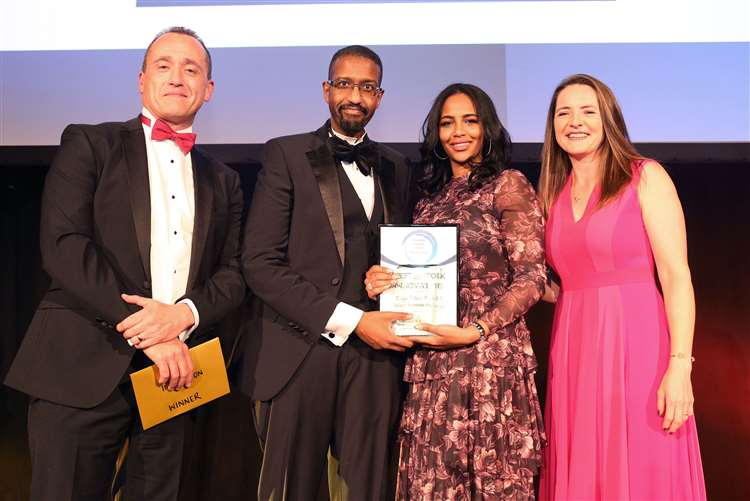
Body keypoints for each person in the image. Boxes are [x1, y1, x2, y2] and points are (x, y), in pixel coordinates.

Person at [4, 27, 246, 500]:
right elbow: (64, 246)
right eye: (164, 65)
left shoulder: (225, 180)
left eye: (191, 69)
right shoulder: (90, 144)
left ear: (209, 89)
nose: (177, 77)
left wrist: (183, 316)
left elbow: (235, 272)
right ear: (141, 80)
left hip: (177, 376)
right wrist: (149, 330)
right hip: (82, 363)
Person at [238, 45, 413, 500]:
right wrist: (353, 320)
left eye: (367, 87)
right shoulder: (287, 154)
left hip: (376, 360)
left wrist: (391, 279)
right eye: (345, 84)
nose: (355, 95)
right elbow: (260, 262)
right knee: (291, 487)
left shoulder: (396, 166)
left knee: (369, 487)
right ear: (326, 90)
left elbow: (401, 254)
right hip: (300, 348)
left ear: (379, 96)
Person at [366, 83, 546, 500]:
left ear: (487, 128)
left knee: (496, 482)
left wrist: (477, 330)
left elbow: (533, 277)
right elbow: (418, 273)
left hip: (490, 363)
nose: (458, 132)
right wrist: (384, 281)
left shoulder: (508, 184)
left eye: (469, 121)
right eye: (447, 123)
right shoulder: (429, 200)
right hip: (433, 363)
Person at [537, 74, 706, 500]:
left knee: (643, 464)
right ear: (552, 126)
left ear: (608, 117)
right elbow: (561, 283)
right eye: (564, 113)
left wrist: (680, 365)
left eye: (587, 111)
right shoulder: (552, 194)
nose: (575, 121)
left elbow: (676, 276)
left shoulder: (645, 177)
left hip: (637, 347)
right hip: (574, 349)